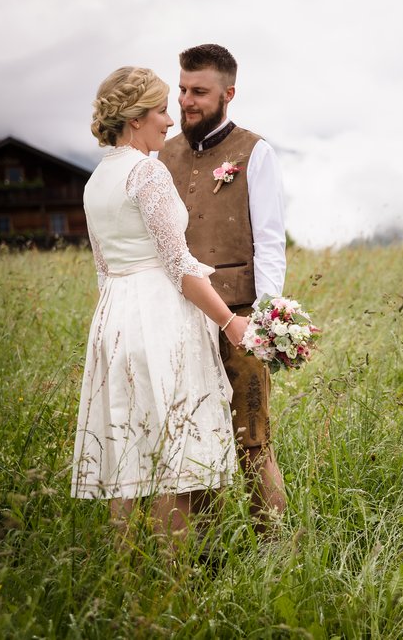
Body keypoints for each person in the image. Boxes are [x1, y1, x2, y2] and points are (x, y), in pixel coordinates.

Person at [70, 66, 250, 544]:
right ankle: (172, 588)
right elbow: (180, 266)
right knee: (174, 460)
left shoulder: (96, 181)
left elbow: (103, 267)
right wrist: (231, 322)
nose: (169, 121)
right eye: (161, 110)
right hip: (160, 319)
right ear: (135, 120)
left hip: (114, 320)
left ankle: (128, 581)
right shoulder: (147, 172)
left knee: (130, 454)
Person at [158, 44, 288, 534]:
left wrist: (264, 318)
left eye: (199, 92)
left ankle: (274, 549)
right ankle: (209, 554)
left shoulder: (255, 152)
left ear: (228, 94)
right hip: (176, 322)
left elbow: (271, 241)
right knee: (190, 444)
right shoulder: (163, 155)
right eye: (183, 89)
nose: (186, 101)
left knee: (252, 442)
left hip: (240, 320)